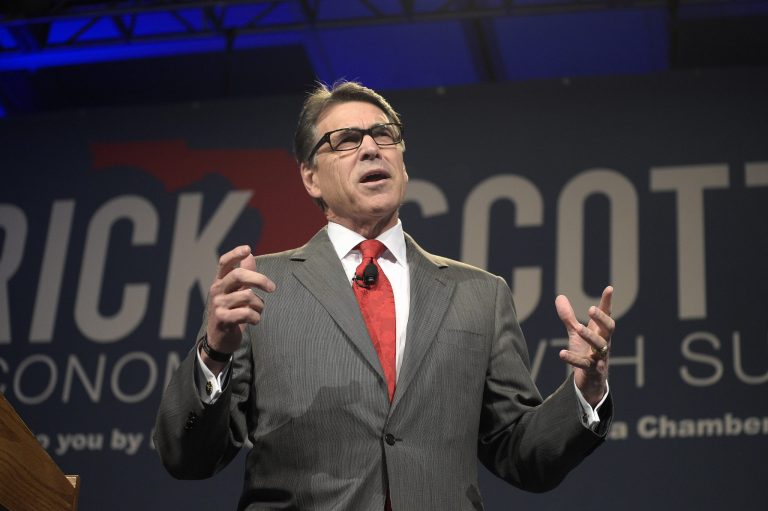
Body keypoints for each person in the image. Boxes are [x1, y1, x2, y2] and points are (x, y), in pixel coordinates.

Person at [154, 81, 615, 511]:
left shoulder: (480, 294)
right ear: (311, 178)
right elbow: (189, 458)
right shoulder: (259, 287)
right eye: (346, 140)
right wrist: (214, 355)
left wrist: (585, 392)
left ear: (402, 161)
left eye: (383, 134)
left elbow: (522, 455)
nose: (371, 148)